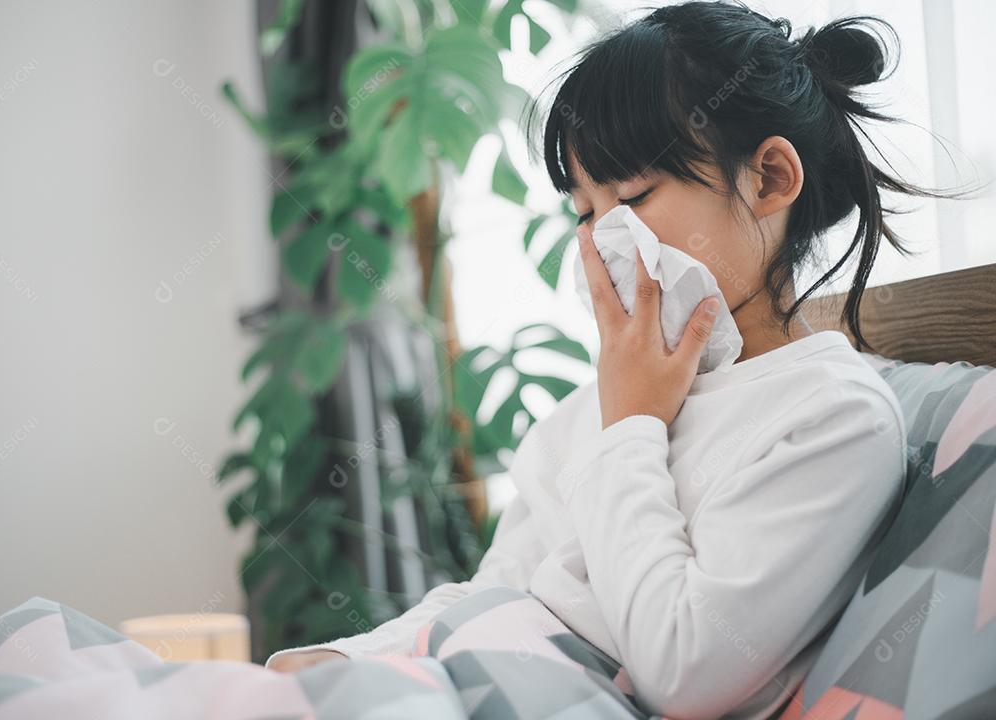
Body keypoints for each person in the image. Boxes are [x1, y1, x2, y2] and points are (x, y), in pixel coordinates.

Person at [267, 3, 945, 717]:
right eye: (585, 214)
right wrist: (348, 658)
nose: (603, 243)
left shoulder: (830, 415)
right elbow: (500, 590)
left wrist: (631, 427)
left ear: (770, 178)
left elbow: (683, 671)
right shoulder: (603, 402)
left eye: (634, 197)